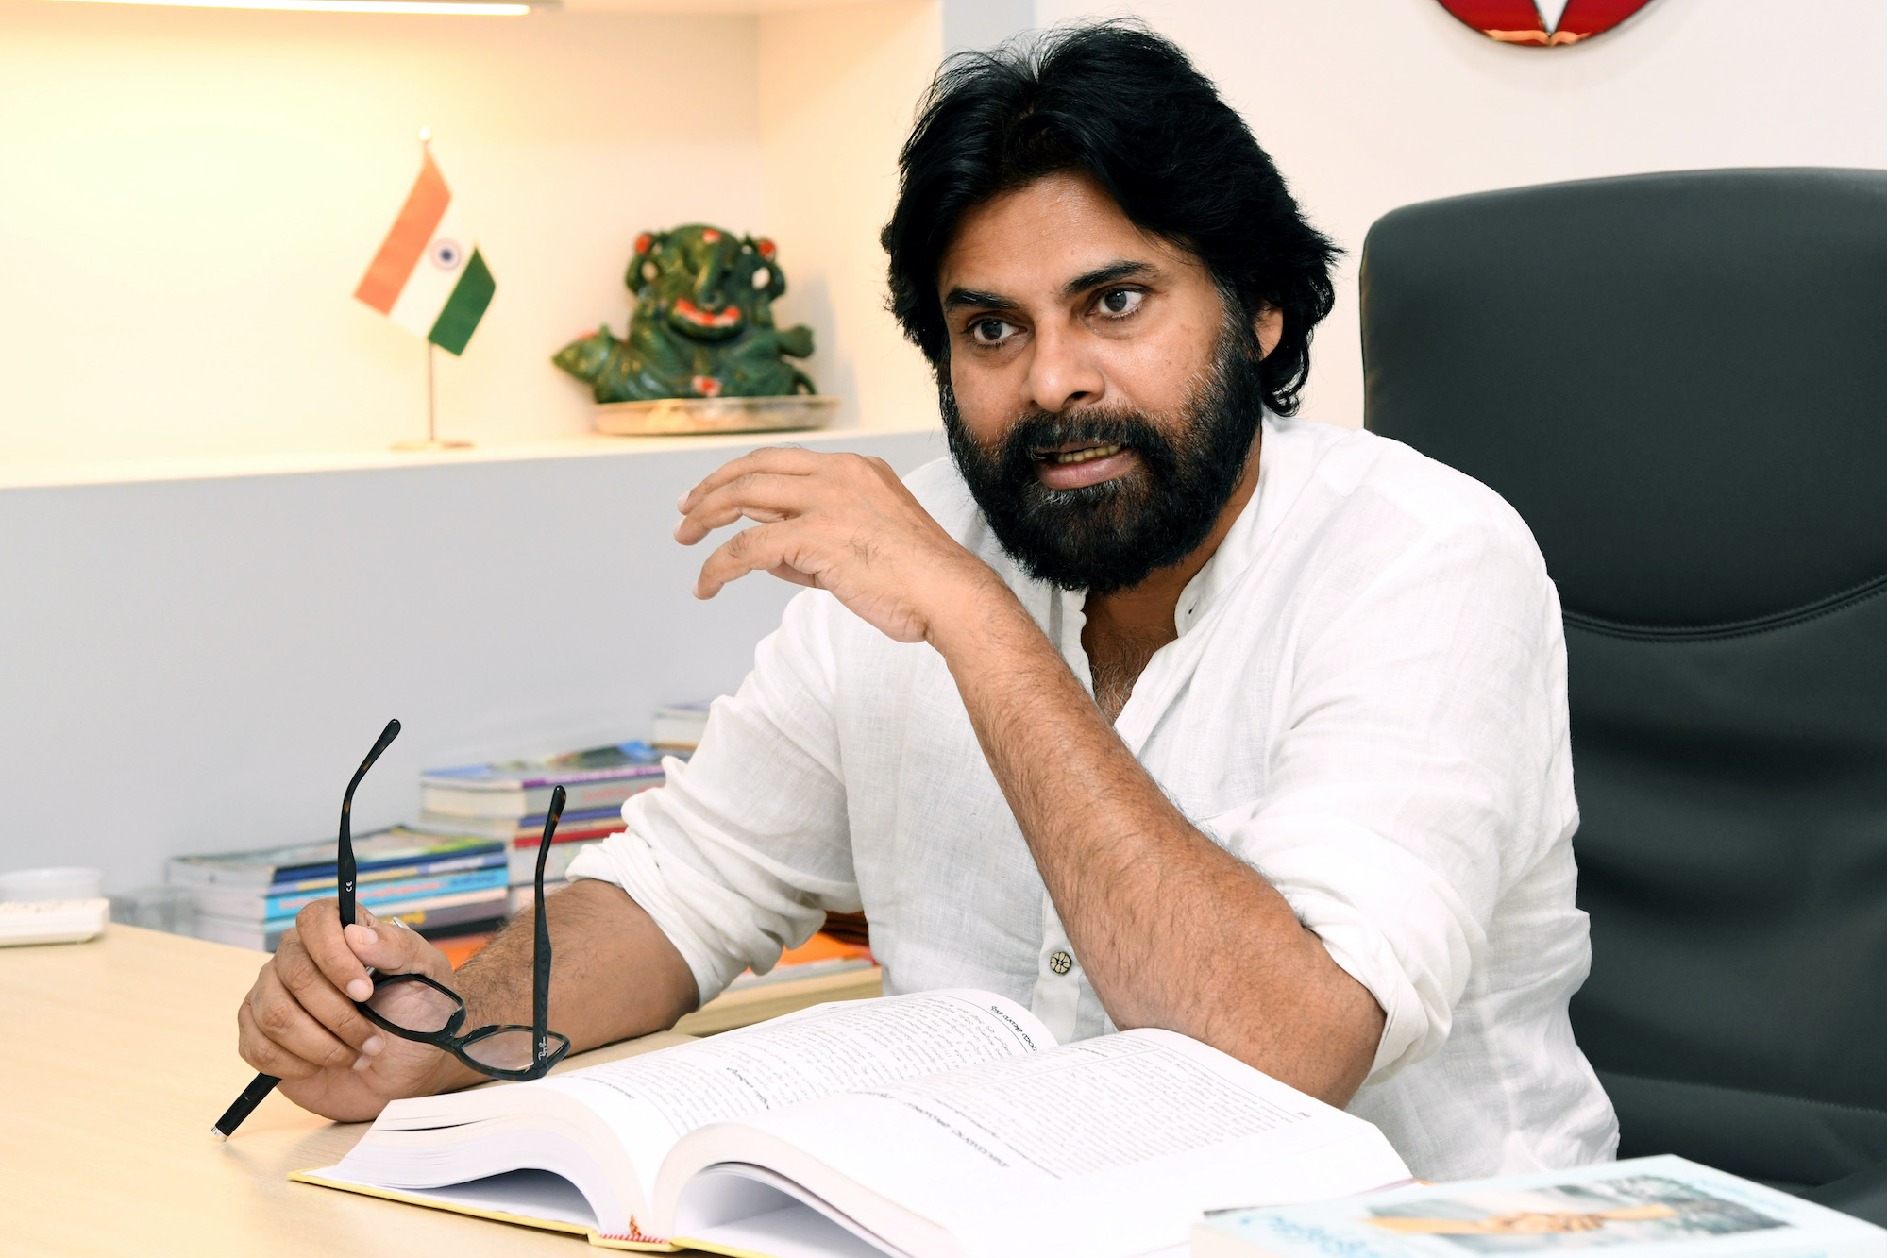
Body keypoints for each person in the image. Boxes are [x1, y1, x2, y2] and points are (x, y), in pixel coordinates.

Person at [235, 21, 1617, 1180]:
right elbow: (677, 891)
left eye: (1114, 303)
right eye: (991, 328)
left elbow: (1282, 1051)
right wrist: (442, 1027)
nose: (1053, 380)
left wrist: (977, 625)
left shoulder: (1427, 560)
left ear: (1258, 312)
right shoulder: (930, 538)